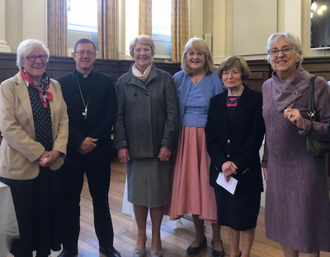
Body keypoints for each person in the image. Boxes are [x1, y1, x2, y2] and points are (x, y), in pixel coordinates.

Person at [262, 32, 330, 256]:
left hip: (307, 168)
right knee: (284, 226)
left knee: (306, 230)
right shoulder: (267, 87)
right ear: (269, 57)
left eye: (286, 49)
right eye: (274, 50)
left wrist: (306, 124)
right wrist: (266, 160)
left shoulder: (316, 85)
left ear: (298, 54)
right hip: (278, 167)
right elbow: (269, 128)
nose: (280, 54)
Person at [0, 39, 68, 257]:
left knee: (47, 220)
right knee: (24, 223)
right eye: (32, 57)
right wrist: (39, 153)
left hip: (52, 165)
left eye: (42, 56)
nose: (38, 61)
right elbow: (8, 127)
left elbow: (64, 121)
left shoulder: (54, 86)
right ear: (21, 61)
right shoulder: (8, 87)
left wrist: (57, 150)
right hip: (21, 167)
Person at [115, 35, 179, 257]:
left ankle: (157, 237)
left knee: (158, 195)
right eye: (138, 49)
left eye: (147, 49)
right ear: (132, 53)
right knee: (138, 195)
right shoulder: (123, 81)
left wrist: (167, 143)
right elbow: (118, 117)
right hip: (133, 149)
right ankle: (141, 236)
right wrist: (121, 145)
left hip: (159, 149)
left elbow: (173, 114)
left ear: (153, 52)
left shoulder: (165, 78)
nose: (142, 53)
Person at [56, 38, 120, 257]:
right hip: (71, 152)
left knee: (101, 200)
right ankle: (70, 248)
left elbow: (110, 113)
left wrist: (92, 138)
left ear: (95, 56)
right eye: (81, 52)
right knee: (70, 201)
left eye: (89, 52)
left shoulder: (105, 81)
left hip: (99, 150)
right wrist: (78, 141)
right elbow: (61, 119)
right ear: (73, 55)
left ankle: (106, 246)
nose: (85, 56)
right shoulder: (61, 83)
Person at [168, 37, 226, 257]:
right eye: (191, 53)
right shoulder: (177, 78)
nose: (195, 57)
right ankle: (199, 236)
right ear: (185, 56)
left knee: (211, 188)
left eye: (199, 53)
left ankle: (217, 237)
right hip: (185, 140)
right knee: (192, 187)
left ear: (206, 56)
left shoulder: (217, 78)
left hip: (210, 139)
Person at [205, 56, 265, 257]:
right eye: (226, 72)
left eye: (234, 72)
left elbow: (256, 136)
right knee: (229, 216)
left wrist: (235, 163)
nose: (230, 76)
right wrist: (223, 163)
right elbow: (211, 136)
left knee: (247, 218)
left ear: (242, 74)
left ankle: (245, 254)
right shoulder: (215, 101)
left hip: (246, 169)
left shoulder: (256, 99)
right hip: (223, 171)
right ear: (221, 76)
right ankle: (233, 254)